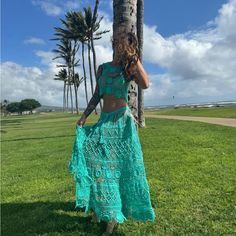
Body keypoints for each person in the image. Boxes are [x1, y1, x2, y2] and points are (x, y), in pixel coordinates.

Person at [68, 30, 156, 236]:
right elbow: (97, 95)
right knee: (95, 164)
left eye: (123, 43)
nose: (119, 46)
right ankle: (100, 208)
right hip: (104, 122)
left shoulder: (130, 67)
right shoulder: (103, 68)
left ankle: (113, 216)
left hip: (122, 123)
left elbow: (146, 84)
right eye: (116, 42)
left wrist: (135, 61)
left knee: (117, 170)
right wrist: (84, 117)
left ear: (131, 45)